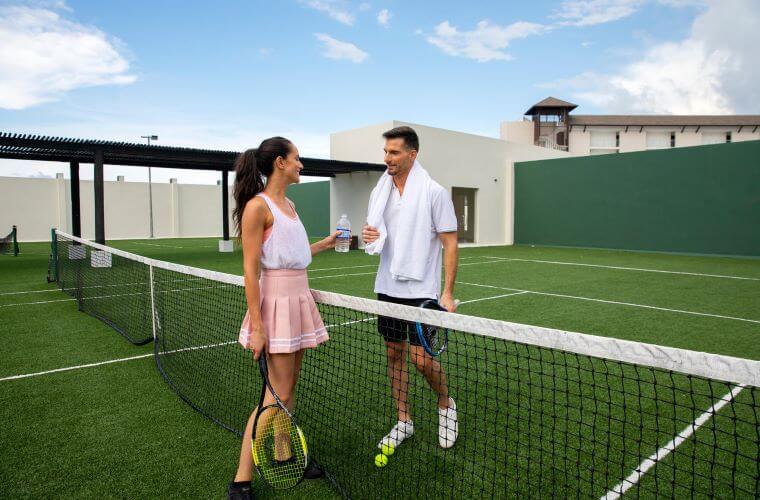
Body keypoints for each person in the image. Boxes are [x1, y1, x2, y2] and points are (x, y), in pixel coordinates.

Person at [227, 137, 337, 500]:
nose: (301, 165)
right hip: (275, 303)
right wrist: (259, 327)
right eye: (297, 159)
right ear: (279, 163)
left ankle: (283, 452)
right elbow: (250, 271)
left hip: (298, 299)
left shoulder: (289, 204)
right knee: (276, 394)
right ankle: (241, 479)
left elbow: (295, 254)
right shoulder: (257, 207)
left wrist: (326, 244)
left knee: (288, 388)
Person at [362, 126, 460, 452]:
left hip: (423, 291)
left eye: (394, 152)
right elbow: (378, 231)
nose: (387, 158)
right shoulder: (381, 192)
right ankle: (404, 420)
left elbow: (450, 243)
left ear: (412, 154)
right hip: (387, 285)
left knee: (421, 360)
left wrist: (446, 293)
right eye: (386, 152)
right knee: (394, 354)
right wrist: (372, 236)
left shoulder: (434, 192)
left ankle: (446, 405)